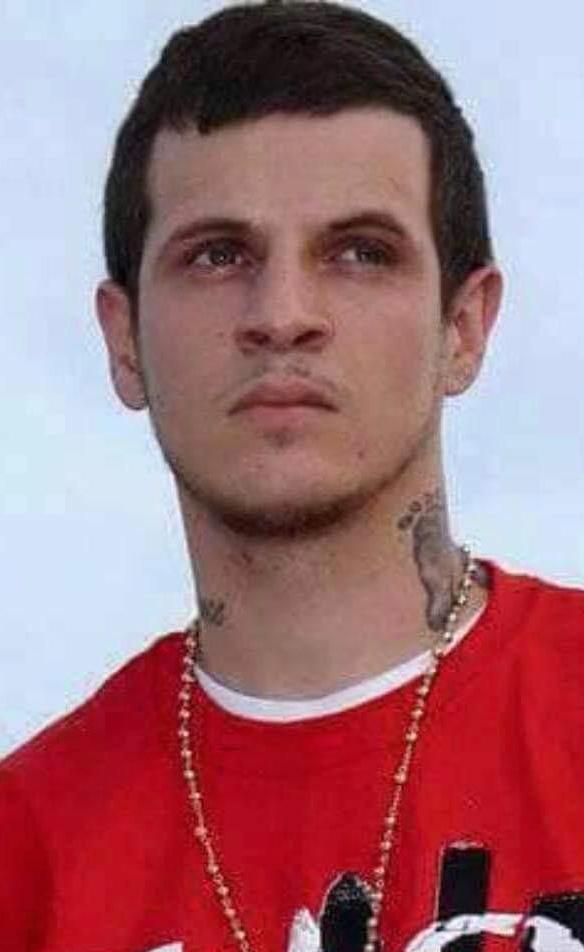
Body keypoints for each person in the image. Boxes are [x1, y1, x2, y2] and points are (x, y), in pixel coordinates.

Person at [1, 2, 583, 951]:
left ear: (464, 327)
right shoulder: (25, 848)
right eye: (217, 255)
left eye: (360, 253)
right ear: (124, 340)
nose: (281, 314)